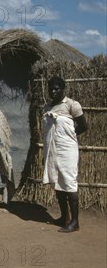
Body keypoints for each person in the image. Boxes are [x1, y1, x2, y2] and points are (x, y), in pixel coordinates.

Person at [43, 76, 87, 233]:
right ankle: (64, 217)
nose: (53, 91)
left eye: (56, 88)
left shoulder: (72, 105)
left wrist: (69, 137)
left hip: (67, 150)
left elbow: (83, 126)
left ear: (63, 89)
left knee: (69, 183)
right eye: (50, 88)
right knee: (58, 183)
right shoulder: (48, 107)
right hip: (52, 150)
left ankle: (75, 222)